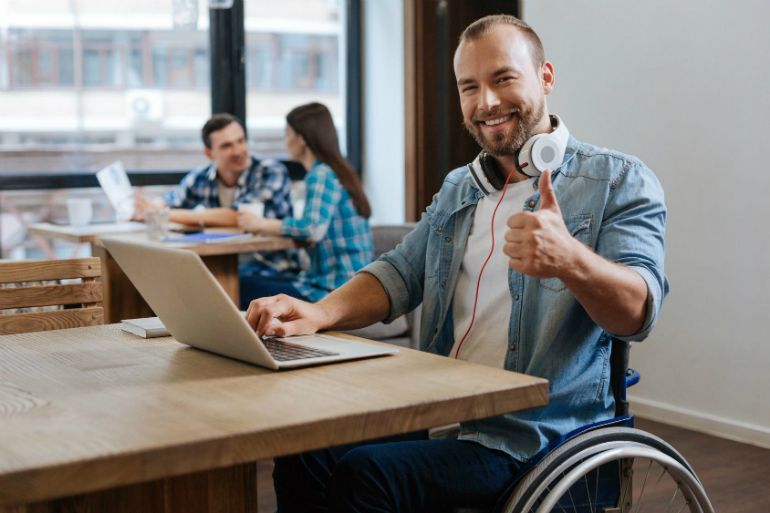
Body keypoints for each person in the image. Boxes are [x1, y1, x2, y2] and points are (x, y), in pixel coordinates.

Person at [246, 14, 668, 513]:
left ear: (545, 77)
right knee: (304, 450)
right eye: (470, 87)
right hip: (440, 416)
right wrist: (319, 312)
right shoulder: (460, 187)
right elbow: (401, 272)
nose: (486, 102)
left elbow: (639, 313)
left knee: (369, 477)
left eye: (503, 78)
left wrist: (570, 260)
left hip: (534, 440)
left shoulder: (618, 180)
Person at [236, 102, 374, 305]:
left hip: (332, 290)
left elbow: (312, 229)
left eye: (287, 134)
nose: (286, 141)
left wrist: (260, 223)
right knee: (248, 277)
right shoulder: (336, 170)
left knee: (236, 285)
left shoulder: (321, 174)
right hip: (343, 284)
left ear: (300, 139)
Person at [134, 112, 299, 280]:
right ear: (209, 153)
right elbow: (171, 200)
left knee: (200, 283)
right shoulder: (201, 177)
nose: (238, 151)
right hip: (224, 265)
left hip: (271, 268)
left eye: (241, 141)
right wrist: (150, 207)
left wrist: (166, 215)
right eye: (226, 146)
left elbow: (239, 217)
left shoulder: (270, 171)